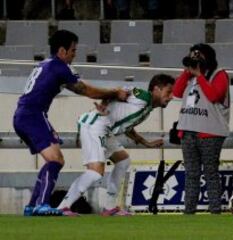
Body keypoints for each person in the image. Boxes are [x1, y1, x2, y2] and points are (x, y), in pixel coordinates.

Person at [13, 30, 129, 216]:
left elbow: (76, 88)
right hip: (33, 116)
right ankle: (42, 205)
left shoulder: (46, 65)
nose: (75, 54)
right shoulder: (59, 67)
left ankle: (32, 206)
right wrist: (114, 92)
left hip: (23, 116)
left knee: (54, 160)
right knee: (56, 160)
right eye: (73, 50)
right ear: (62, 51)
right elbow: (85, 90)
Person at [57, 74, 175, 216]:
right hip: (95, 125)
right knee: (95, 172)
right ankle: (63, 207)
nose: (171, 97)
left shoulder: (146, 108)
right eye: (168, 92)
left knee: (123, 161)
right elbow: (118, 91)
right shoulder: (142, 96)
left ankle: (110, 207)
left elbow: (128, 127)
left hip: (104, 129)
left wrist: (146, 142)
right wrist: (104, 105)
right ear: (156, 89)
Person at [173, 43, 230, 214]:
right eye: (192, 57)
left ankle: (215, 210)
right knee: (191, 174)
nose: (194, 60)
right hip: (188, 130)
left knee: (211, 173)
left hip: (210, 132)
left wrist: (200, 76)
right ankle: (189, 211)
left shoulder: (219, 74)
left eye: (198, 57)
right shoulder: (189, 77)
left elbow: (214, 96)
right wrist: (187, 71)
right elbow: (176, 92)